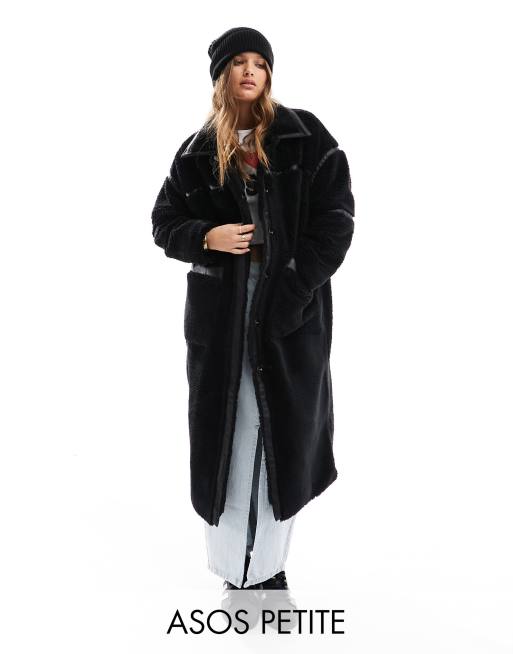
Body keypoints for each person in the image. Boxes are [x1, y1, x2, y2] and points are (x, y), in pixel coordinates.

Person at [151, 27, 355, 600]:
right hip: (221, 318)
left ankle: (268, 568)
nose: (249, 71)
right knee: (231, 437)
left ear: (269, 73)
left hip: (288, 313)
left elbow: (336, 223)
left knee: (279, 437)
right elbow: (163, 222)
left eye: (259, 62)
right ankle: (231, 572)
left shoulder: (305, 137)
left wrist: (293, 288)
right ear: (221, 75)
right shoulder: (196, 152)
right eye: (237, 61)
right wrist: (206, 236)